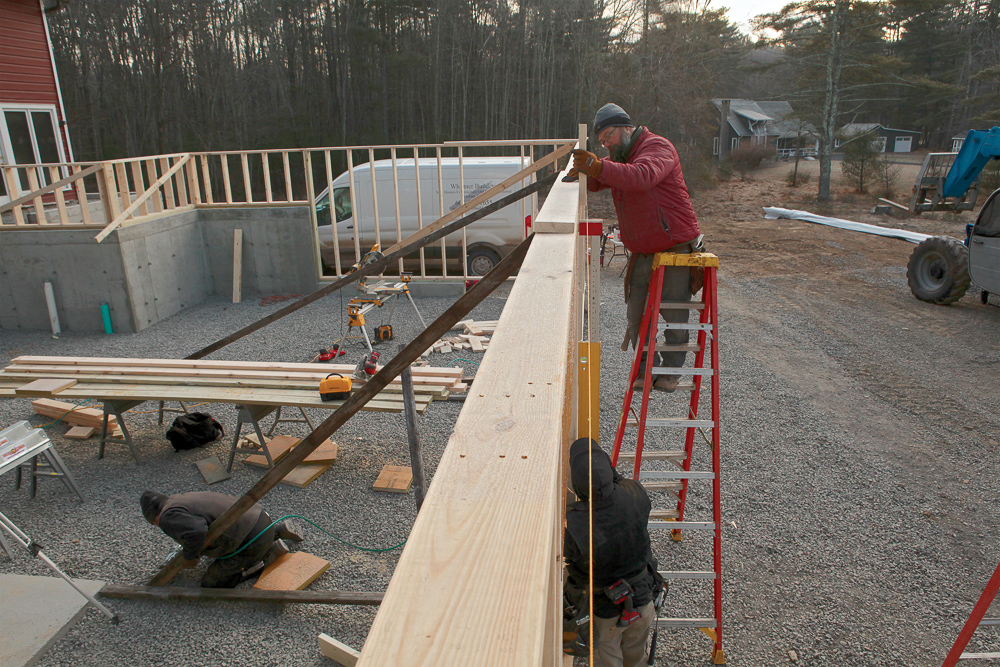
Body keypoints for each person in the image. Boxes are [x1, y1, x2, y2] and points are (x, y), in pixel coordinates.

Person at [571, 103, 703, 392]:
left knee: (674, 314)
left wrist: (598, 167)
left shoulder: (657, 148)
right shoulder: (624, 154)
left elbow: (641, 177)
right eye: (603, 141)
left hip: (674, 250)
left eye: (609, 136)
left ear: (626, 128)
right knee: (636, 317)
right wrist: (587, 173)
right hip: (643, 252)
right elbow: (607, 177)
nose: (606, 144)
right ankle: (645, 370)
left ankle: (669, 373)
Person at [564, 438, 662, 667]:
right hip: (642, 599)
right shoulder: (635, 493)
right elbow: (617, 482)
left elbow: (573, 564)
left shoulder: (576, 523)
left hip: (605, 612)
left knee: (607, 659)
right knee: (636, 657)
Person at [140, 490, 303, 588]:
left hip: (252, 541)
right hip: (260, 519)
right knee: (235, 537)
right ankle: (276, 531)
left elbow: (196, 532)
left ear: (154, 519)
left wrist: (190, 558)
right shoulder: (179, 499)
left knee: (211, 582)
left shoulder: (166, 517)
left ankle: (265, 557)